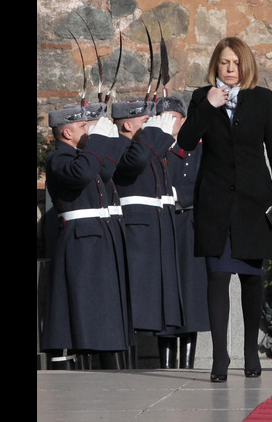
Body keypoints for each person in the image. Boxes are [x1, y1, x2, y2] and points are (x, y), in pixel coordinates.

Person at [177, 37, 272, 383]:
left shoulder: (261, 98)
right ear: (216, 65)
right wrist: (209, 106)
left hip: (253, 203)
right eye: (225, 63)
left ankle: (250, 352)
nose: (231, 69)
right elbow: (184, 143)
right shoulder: (201, 97)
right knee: (217, 277)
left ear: (246, 66)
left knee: (251, 279)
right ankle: (219, 358)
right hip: (214, 204)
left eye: (236, 63)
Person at [41, 105, 133, 370]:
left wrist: (111, 141)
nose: (88, 130)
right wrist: (99, 142)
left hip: (99, 239)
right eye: (82, 127)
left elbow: (103, 169)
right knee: (82, 309)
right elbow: (80, 173)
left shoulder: (85, 155)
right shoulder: (59, 158)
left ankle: (109, 360)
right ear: (67, 133)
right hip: (80, 242)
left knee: (104, 310)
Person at [112, 100, 186, 364]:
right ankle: (127, 361)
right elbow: (137, 161)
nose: (151, 126)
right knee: (135, 301)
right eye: (145, 122)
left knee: (154, 302)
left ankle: (150, 359)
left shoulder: (143, 146)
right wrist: (160, 133)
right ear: (128, 124)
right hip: (137, 232)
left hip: (157, 229)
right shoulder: (120, 147)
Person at [156, 96, 211, 369]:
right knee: (165, 296)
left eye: (173, 117)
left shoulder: (198, 150)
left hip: (188, 228)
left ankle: (186, 363)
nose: (168, 122)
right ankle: (165, 363)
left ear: (184, 121)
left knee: (190, 295)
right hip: (163, 229)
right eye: (162, 117)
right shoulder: (153, 149)